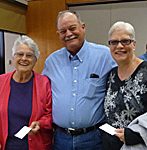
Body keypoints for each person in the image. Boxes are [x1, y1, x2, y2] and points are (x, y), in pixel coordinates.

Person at [42, 10, 116, 150]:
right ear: (58, 35)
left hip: (93, 138)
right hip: (60, 139)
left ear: (83, 27)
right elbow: (41, 95)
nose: (69, 34)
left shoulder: (105, 56)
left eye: (72, 28)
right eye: (63, 31)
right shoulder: (51, 62)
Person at [0, 35, 53, 150]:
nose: (24, 58)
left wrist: (40, 123)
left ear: (35, 60)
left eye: (29, 55)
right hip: (5, 145)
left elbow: (51, 114)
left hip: (36, 145)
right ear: (13, 57)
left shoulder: (44, 83)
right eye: (20, 54)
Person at [102, 21, 147, 150]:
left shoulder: (145, 72)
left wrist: (136, 134)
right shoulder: (111, 75)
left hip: (138, 145)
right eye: (114, 42)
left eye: (125, 41)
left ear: (134, 44)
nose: (119, 46)